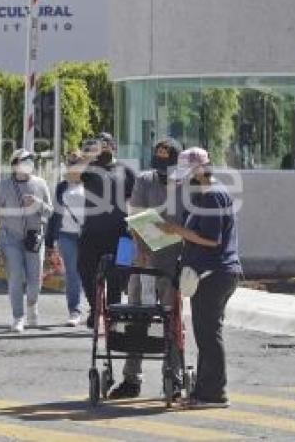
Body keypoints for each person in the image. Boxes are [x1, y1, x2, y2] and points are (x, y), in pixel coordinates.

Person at [158, 147, 242, 409]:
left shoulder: (212, 196)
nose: (186, 181)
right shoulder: (205, 195)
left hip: (215, 273)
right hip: (211, 273)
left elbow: (212, 240)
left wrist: (177, 230)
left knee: (208, 334)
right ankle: (204, 392)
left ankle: (213, 394)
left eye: (189, 175)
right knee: (205, 334)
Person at [109, 137, 185, 400]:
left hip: (173, 263)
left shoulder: (187, 186)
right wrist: (140, 250)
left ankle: (173, 377)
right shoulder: (144, 180)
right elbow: (136, 217)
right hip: (143, 261)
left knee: (171, 322)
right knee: (136, 319)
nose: (163, 173)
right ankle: (131, 379)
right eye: (159, 166)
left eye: (168, 167)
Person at [0, 149, 52, 332]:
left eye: (30, 160)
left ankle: (32, 305)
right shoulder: (4, 186)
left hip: (34, 238)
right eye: (24, 160)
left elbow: (50, 211)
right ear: (15, 165)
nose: (29, 163)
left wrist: (37, 203)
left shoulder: (40, 184)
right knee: (15, 278)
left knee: (34, 280)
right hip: (10, 239)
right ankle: (18, 317)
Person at [78, 133, 136, 328]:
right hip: (91, 230)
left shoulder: (125, 170)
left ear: (114, 146)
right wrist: (88, 155)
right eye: (99, 143)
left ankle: (112, 314)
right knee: (85, 270)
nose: (103, 146)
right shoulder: (90, 168)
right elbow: (72, 177)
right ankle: (95, 308)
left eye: (106, 143)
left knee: (117, 275)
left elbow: (135, 199)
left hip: (119, 231)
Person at [45, 150, 86, 327]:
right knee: (72, 273)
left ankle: (95, 308)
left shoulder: (91, 184)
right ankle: (74, 310)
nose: (72, 166)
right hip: (65, 234)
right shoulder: (62, 186)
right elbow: (55, 213)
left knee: (89, 272)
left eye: (75, 163)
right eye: (69, 163)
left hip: (87, 235)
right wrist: (50, 241)